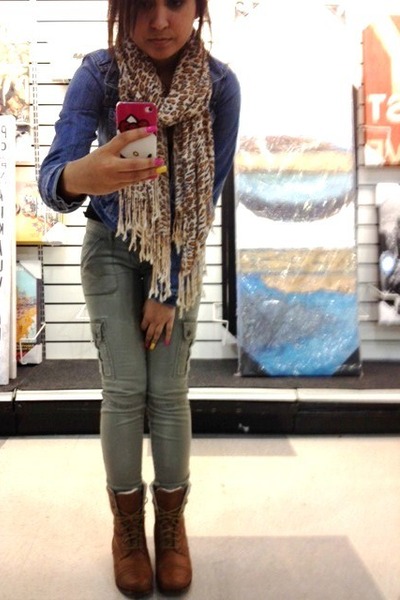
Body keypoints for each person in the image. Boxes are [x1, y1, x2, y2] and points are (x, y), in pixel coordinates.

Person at [39, 0, 240, 596]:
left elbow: (206, 198)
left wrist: (166, 286)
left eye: (175, 2)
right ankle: (127, 529)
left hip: (179, 251)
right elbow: (53, 175)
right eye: (143, 3)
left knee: (169, 391)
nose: (159, 20)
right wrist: (81, 176)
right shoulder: (99, 74)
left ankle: (171, 527)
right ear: (120, 8)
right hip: (110, 242)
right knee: (125, 389)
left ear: (198, 7)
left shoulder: (220, 87)